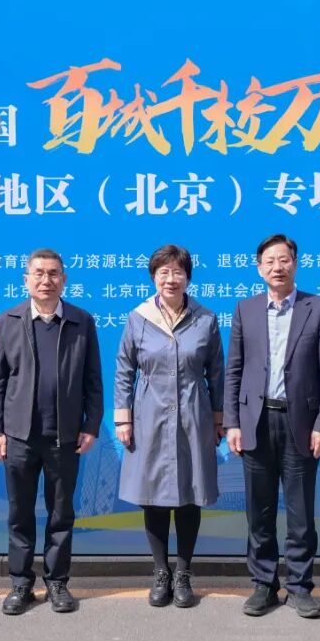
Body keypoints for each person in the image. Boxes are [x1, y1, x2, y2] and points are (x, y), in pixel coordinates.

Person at [224, 234, 320, 619]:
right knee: (258, 511)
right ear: (259, 268)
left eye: (285, 259)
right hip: (255, 422)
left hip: (300, 425)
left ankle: (300, 586)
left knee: (300, 513)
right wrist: (232, 422)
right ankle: (263, 584)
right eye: (270, 260)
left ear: (295, 263)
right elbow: (234, 370)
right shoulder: (246, 309)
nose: (278, 266)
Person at [0, 249, 103, 615]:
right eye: (38, 273)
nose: (46, 280)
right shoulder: (8, 320)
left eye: (53, 274)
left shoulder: (81, 321)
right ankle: (21, 583)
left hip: (64, 437)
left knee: (61, 513)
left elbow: (93, 380)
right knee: (20, 513)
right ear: (26, 280)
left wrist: (90, 425)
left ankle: (57, 582)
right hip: (19, 436)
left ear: (64, 280)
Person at [114, 245, 225, 608]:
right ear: (153, 277)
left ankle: (184, 573)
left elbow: (217, 372)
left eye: (177, 272)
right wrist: (123, 418)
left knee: (190, 494)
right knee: (154, 496)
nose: (170, 279)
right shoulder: (139, 318)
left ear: (188, 277)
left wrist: (220, 418)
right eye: (163, 272)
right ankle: (161, 571)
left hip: (194, 415)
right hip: (150, 416)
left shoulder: (205, 319)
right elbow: (124, 369)